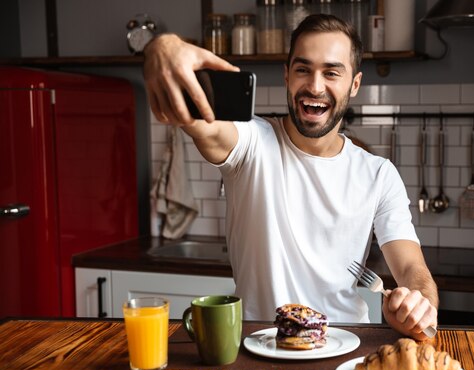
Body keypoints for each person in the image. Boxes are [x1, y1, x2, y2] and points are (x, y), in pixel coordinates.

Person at [143, 14, 438, 340]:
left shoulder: (379, 174)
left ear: (354, 84)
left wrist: (419, 303)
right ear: (286, 75)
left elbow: (412, 268)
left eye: (331, 72)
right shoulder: (253, 142)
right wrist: (161, 46)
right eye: (303, 69)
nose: (314, 86)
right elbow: (204, 127)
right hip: (258, 350)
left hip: (345, 349)